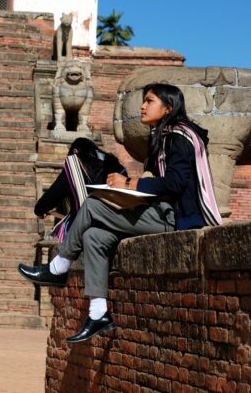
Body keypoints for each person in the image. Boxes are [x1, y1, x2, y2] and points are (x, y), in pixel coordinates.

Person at [18, 83, 222, 343]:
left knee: (93, 205)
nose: (142, 106)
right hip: (159, 211)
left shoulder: (179, 137)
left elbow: (176, 183)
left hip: (176, 217)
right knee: (93, 236)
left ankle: (58, 267)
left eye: (149, 101)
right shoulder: (163, 136)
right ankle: (98, 313)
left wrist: (130, 184)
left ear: (168, 107)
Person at [34, 137, 126, 240]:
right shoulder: (115, 164)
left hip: (90, 227)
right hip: (119, 221)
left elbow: (50, 198)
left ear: (75, 151)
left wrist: (40, 210)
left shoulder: (75, 164)